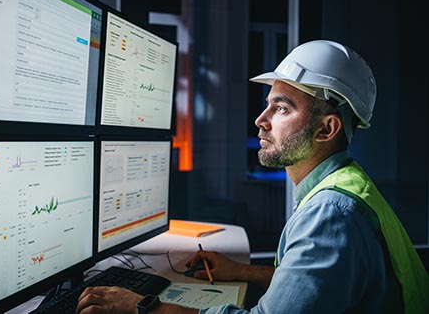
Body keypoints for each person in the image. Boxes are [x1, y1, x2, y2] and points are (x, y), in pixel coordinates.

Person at [76, 40, 429, 314]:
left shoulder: (331, 213)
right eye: (268, 104)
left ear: (326, 128)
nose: (261, 120)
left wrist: (142, 308)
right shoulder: (344, 186)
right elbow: (321, 285)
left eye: (281, 108)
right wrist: (244, 271)